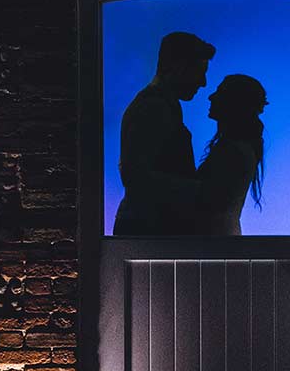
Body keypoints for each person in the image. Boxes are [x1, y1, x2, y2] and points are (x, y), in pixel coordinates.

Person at [112, 32, 215, 235]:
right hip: (146, 231)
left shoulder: (165, 105)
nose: (203, 82)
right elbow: (135, 177)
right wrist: (200, 190)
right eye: (199, 71)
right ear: (178, 67)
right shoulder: (152, 107)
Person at [194, 74, 267, 235]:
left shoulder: (235, 150)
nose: (211, 97)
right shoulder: (239, 148)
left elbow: (207, 199)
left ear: (234, 103)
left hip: (215, 241)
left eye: (219, 93)